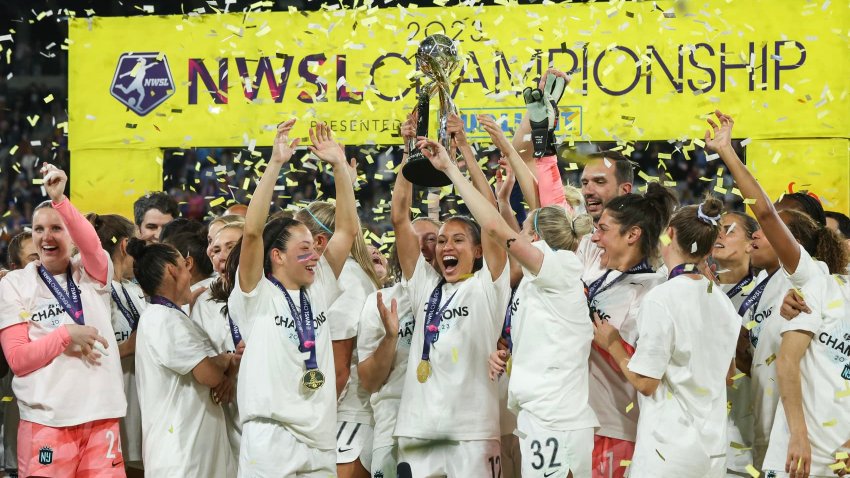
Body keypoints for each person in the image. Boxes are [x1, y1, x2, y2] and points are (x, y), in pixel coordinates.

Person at [431, 125, 600, 477]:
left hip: (558, 420)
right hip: (540, 416)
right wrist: (510, 354)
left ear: (535, 238)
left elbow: (493, 224)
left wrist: (452, 167)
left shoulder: (560, 268)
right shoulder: (539, 280)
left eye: (523, 229)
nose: (517, 232)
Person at [704, 110, 850, 477]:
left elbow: (768, 215)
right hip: (785, 443)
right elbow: (766, 215)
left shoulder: (818, 283)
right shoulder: (802, 284)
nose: (759, 232)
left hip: (830, 449)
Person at [229, 120, 358, 476]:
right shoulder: (256, 294)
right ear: (277, 256)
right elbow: (253, 232)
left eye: (315, 247)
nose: (315, 255)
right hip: (271, 437)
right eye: (304, 249)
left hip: (319, 440)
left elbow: (347, 229)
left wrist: (338, 168)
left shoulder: (318, 286)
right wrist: (274, 165)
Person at [593, 195, 739, 477]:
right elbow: (728, 375)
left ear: (669, 234)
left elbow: (646, 382)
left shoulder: (662, 298)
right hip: (714, 449)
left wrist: (613, 345)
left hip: (669, 450)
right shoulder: (721, 301)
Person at [392, 135, 510, 477]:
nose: (446, 246)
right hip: (418, 429)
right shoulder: (425, 287)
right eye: (442, 240)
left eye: (458, 240)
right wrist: (408, 151)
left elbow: (489, 218)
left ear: (477, 251)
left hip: (472, 432)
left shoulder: (489, 285)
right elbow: (400, 219)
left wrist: (454, 167)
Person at [0, 164, 126, 477]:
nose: (46, 236)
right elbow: (17, 359)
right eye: (39, 229)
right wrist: (64, 335)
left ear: (71, 235)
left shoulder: (93, 274)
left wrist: (60, 200)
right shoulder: (16, 284)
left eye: (56, 228)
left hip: (101, 417)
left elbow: (93, 246)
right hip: (47, 421)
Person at [583, 183, 677, 478]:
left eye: (604, 230)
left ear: (632, 234)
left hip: (619, 428)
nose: (595, 237)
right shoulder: (602, 273)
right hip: (584, 420)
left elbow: (648, 371)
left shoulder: (654, 291)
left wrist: (610, 343)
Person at [128, 238, 236, 477]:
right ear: (171, 270)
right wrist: (226, 360)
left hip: (186, 451)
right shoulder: (165, 320)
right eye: (184, 265)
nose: (190, 273)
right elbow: (209, 375)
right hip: (183, 455)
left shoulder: (161, 316)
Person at [295, 200, 382, 477]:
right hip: (348, 416)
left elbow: (339, 367)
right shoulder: (354, 274)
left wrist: (312, 423)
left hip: (346, 416)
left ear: (319, 242)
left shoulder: (345, 279)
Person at [90, 213, 147, 474]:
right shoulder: (93, 292)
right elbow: (88, 352)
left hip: (142, 405)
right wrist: (128, 347)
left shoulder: (135, 289)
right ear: (126, 245)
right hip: (115, 410)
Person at [711, 211, 759, 477]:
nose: (719, 234)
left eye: (728, 230)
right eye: (716, 228)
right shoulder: (697, 288)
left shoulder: (763, 295)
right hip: (699, 437)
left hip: (742, 442)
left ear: (751, 243)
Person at [196, 220, 246, 460]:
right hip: (223, 410)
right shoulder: (203, 302)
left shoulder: (273, 294)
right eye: (216, 250)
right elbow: (202, 356)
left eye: (231, 247)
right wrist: (225, 375)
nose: (222, 256)